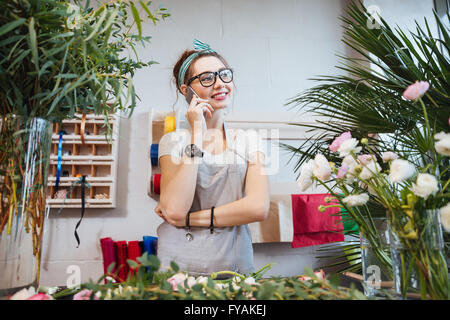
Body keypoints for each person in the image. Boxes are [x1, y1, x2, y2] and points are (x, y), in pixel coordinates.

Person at [154, 39, 270, 277]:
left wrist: (188, 220)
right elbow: (176, 208)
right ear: (187, 90)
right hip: (178, 271)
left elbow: (258, 207)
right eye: (207, 78)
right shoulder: (172, 142)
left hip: (235, 267)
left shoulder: (250, 140)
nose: (220, 84)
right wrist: (197, 134)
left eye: (224, 75)